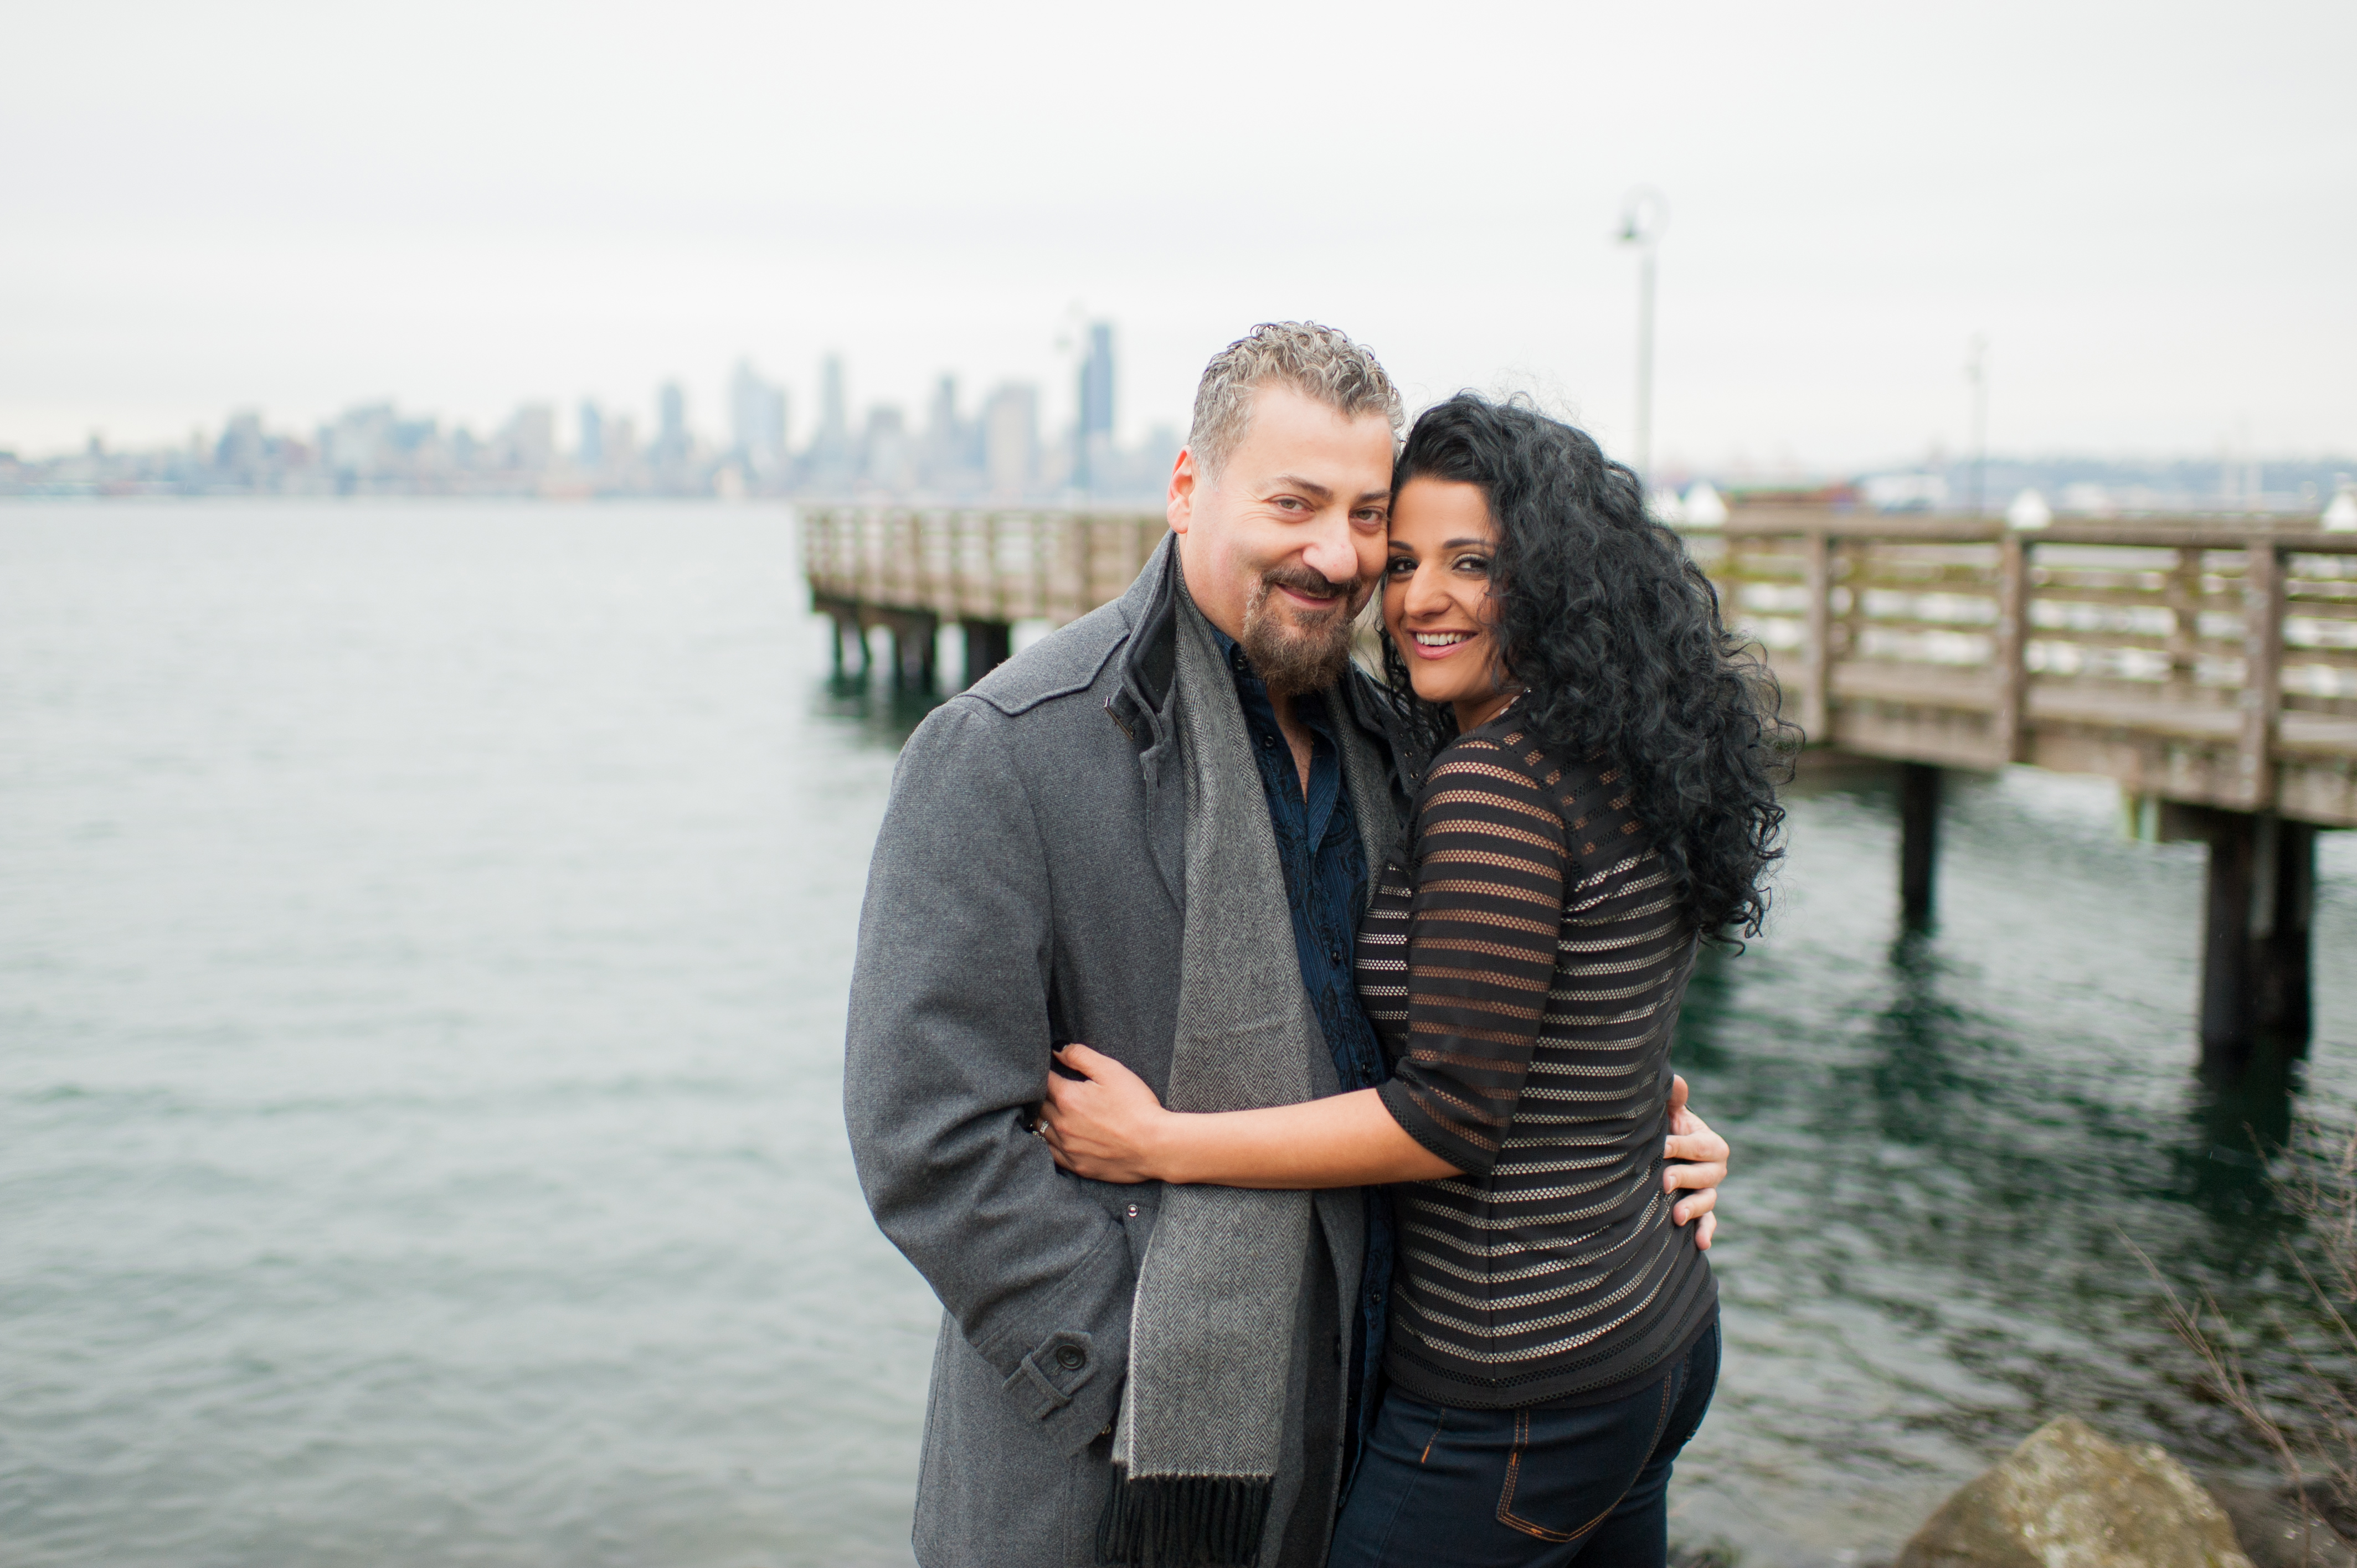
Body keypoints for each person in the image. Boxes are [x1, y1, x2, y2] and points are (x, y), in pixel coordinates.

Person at [844, 327, 1732, 1568]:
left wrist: (1647, 1133)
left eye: (1367, 514)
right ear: (1187, 489)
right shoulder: (1007, 747)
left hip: (1357, 1419)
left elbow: (1512, 1008)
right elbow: (925, 1138)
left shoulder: (1398, 742)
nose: (1338, 555)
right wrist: (1141, 1374)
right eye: (1293, 503)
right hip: (1112, 1471)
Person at [1039, 392, 1791, 1566]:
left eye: (1472, 563)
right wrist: (1658, 1126)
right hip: (1653, 1331)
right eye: (1404, 563)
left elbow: (1449, 1117)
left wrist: (1158, 1143)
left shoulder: (1493, 786)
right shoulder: (1624, 754)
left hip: (1513, 1393)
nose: (1420, 598)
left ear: (1552, 581)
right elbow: (1594, 1020)